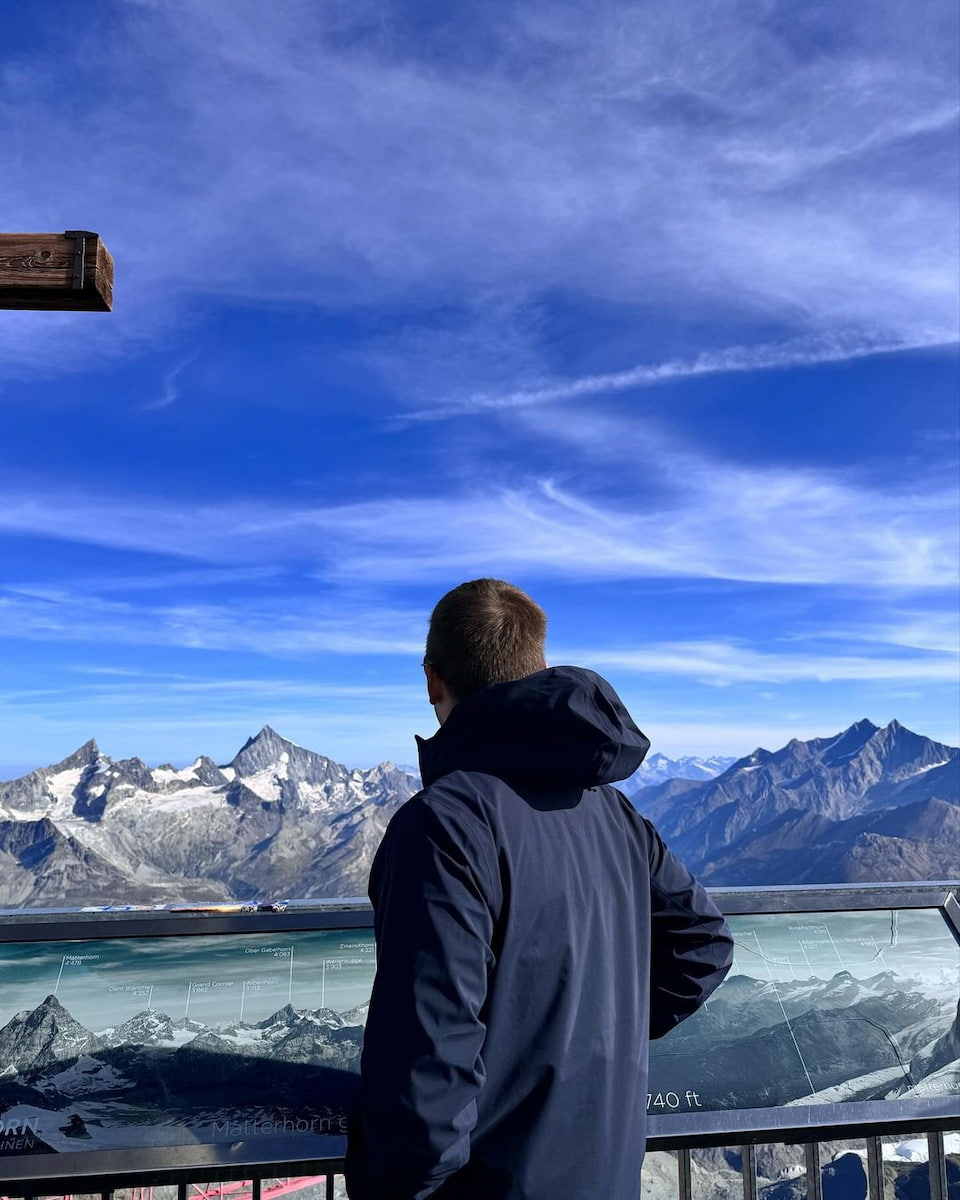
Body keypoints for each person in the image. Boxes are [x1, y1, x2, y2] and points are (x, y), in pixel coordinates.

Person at [345, 579, 734, 1200]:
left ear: (432, 681)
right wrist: (592, 1045)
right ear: (536, 669)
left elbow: (427, 1068)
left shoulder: (444, 824)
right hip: (607, 1175)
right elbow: (703, 944)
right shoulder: (614, 812)